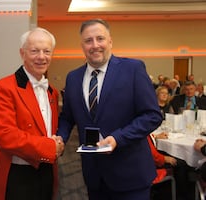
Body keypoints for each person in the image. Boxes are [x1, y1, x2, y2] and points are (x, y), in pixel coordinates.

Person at [57, 19, 163, 200]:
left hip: (131, 175)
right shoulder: (73, 78)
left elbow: (152, 115)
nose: (95, 45)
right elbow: (67, 117)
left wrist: (118, 138)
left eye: (100, 38)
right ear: (82, 45)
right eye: (88, 40)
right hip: (94, 176)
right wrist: (61, 137)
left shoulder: (133, 69)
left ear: (110, 41)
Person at [0, 27, 64, 200]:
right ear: (22, 53)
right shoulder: (2, 88)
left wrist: (58, 141)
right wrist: (50, 147)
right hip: (18, 174)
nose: (41, 57)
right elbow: (4, 136)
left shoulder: (52, 92)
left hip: (47, 170)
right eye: (34, 51)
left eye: (47, 51)